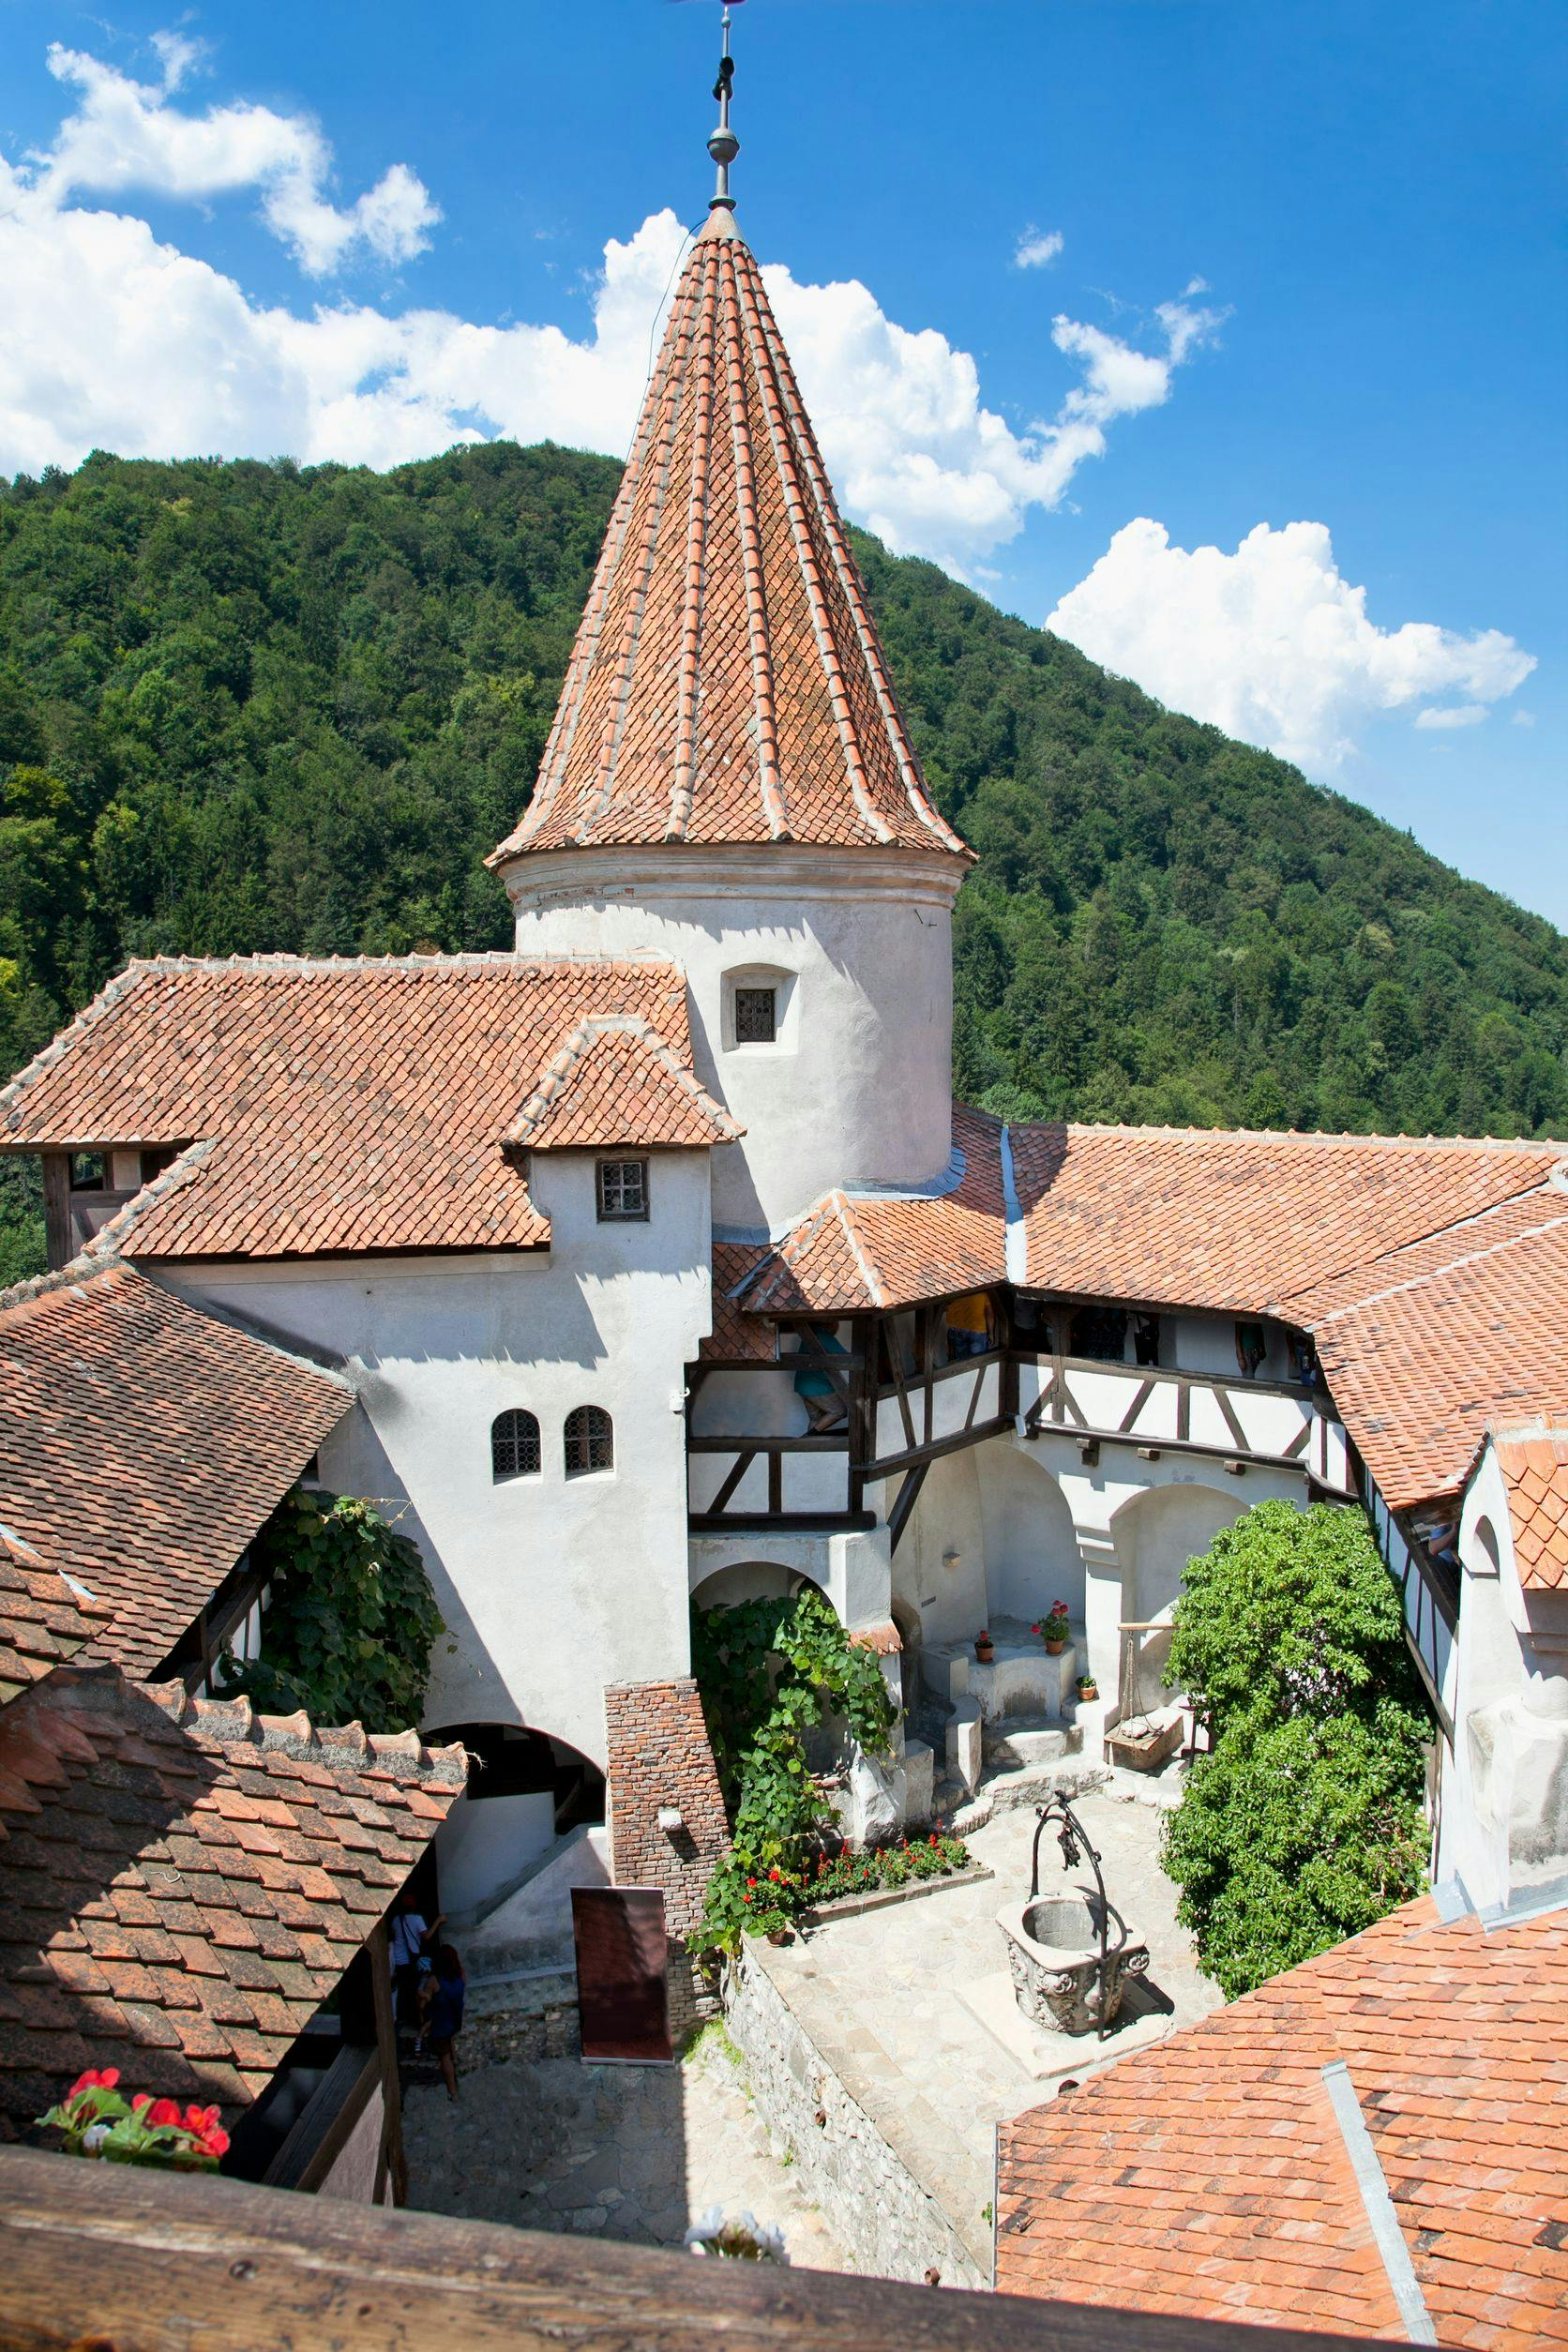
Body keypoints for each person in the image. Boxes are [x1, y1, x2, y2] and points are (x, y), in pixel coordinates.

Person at [416, 1944, 466, 2103]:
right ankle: (456, 2060)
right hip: (455, 2018)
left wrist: (420, 1993)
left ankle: (453, 2092)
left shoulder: (433, 1980)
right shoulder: (461, 1975)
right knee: (450, 2041)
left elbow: (422, 2006)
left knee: (444, 2058)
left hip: (441, 2023)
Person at [388, 1889, 444, 2030]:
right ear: (414, 1906)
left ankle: (403, 2018)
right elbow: (427, 1936)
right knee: (415, 1989)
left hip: (398, 1961)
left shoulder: (396, 1920)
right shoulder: (417, 1919)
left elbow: (394, 1936)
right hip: (412, 1960)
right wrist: (438, 1921)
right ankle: (418, 2019)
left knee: (402, 1990)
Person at [792, 1322, 848, 1431]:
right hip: (818, 1387)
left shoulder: (810, 1335)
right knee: (839, 1411)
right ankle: (810, 1435)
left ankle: (805, 1446)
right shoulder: (824, 1335)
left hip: (802, 1385)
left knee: (815, 1420)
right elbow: (844, 1358)